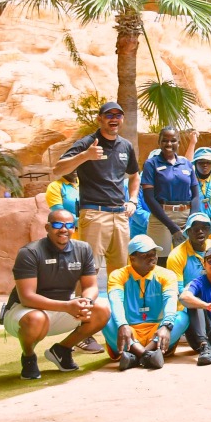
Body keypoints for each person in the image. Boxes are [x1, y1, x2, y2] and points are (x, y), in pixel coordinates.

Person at [4, 209, 110, 380]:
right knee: (36, 318)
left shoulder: (83, 249)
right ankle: (29, 356)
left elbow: (91, 286)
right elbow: (27, 297)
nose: (63, 229)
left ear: (74, 228)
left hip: (61, 309)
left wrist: (86, 301)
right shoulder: (30, 252)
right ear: (47, 227)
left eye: (69, 225)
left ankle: (62, 350)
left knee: (101, 309)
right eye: (57, 225)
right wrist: (67, 306)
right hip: (24, 312)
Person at [51, 100, 139, 291]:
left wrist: (133, 200)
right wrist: (85, 156)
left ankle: (117, 309)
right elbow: (58, 169)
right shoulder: (87, 143)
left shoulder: (126, 146)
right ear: (100, 119)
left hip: (120, 216)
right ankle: (82, 308)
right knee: (88, 269)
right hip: (94, 214)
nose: (114, 119)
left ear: (122, 119)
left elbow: (134, 176)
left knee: (120, 272)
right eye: (109, 115)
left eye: (118, 115)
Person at [103, 235, 186, 370]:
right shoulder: (118, 275)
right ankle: (148, 356)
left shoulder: (166, 275)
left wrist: (166, 326)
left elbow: (170, 302)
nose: (152, 257)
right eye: (145, 255)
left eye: (154, 253)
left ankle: (136, 356)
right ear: (132, 258)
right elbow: (116, 301)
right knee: (103, 316)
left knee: (184, 316)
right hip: (128, 331)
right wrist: (122, 324)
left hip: (157, 332)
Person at [166, 212, 211, 296]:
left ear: (209, 231)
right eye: (196, 229)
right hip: (188, 300)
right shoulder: (176, 255)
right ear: (188, 232)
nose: (200, 231)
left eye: (204, 228)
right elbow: (177, 289)